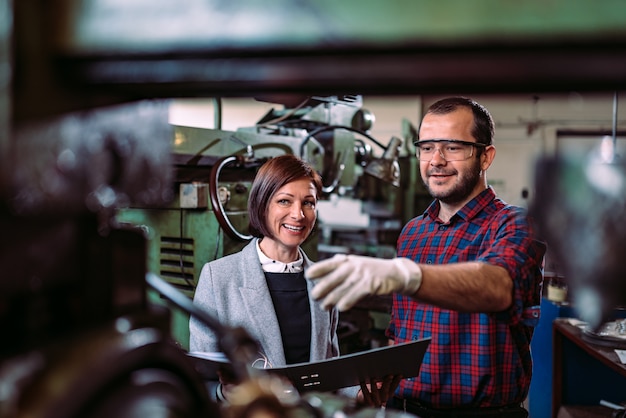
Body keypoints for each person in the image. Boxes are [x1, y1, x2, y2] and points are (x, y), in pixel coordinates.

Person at [306, 97, 546, 418]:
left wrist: (407, 275)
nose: (436, 160)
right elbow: (401, 331)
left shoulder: (515, 224)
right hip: (403, 410)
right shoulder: (413, 232)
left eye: (453, 147)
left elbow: (498, 286)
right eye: (427, 147)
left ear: (485, 156)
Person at [189, 154, 397, 407]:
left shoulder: (323, 282)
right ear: (262, 204)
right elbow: (201, 383)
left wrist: (361, 395)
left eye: (308, 203)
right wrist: (225, 393)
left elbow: (326, 378)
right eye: (285, 201)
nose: (298, 214)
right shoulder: (218, 278)